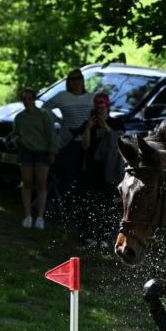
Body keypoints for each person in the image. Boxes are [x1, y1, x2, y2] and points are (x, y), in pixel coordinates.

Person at [43, 68, 94, 219]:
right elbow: (45, 108)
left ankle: (76, 212)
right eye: (72, 79)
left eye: (78, 78)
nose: (76, 82)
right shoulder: (62, 96)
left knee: (83, 179)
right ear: (68, 82)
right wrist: (58, 121)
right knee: (65, 177)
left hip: (88, 143)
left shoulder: (92, 97)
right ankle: (55, 210)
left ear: (83, 80)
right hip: (68, 143)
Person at [79, 93, 125, 246]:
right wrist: (88, 127)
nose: (100, 111)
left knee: (107, 203)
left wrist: (104, 124)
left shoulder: (116, 123)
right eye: (98, 108)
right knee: (90, 201)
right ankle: (88, 235)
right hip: (92, 167)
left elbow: (117, 141)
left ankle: (103, 236)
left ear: (108, 106)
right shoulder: (90, 124)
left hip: (110, 169)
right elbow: (85, 146)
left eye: (103, 107)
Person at [10, 87, 58, 229]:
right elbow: (15, 133)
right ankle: (27, 216)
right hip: (25, 153)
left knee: (41, 184)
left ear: (35, 99)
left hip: (42, 152)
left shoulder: (44, 115)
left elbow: (51, 134)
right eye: (24, 99)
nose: (27, 101)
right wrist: (17, 139)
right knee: (27, 183)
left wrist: (52, 152)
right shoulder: (19, 117)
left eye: (30, 98)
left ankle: (40, 217)